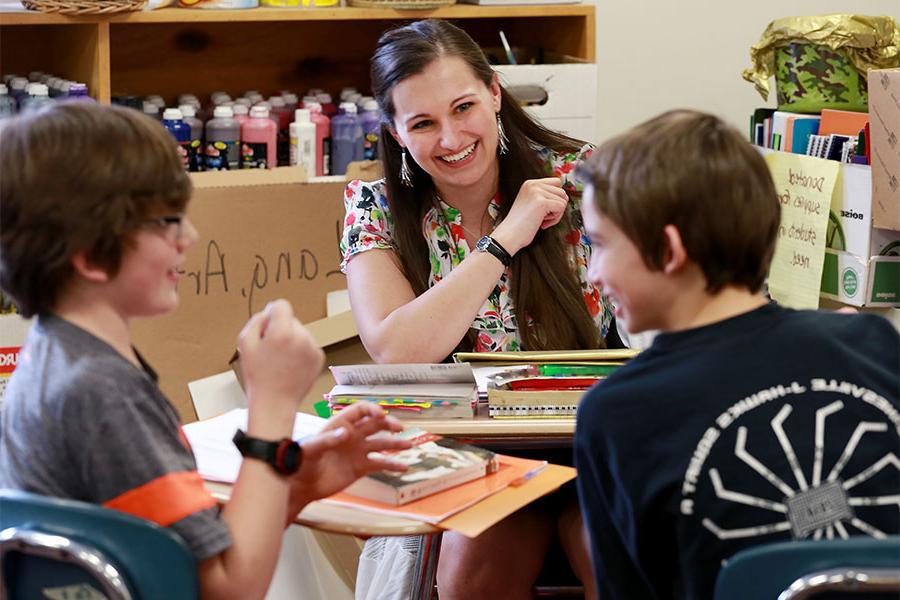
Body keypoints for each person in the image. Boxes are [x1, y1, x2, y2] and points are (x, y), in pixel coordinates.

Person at [0, 101, 413, 600]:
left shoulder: (58, 360)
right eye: (166, 221)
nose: (188, 237)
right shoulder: (105, 394)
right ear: (88, 255)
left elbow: (182, 555)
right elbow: (229, 589)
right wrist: (272, 407)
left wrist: (292, 480)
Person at [573, 109, 900, 600]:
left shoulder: (616, 412)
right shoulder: (874, 343)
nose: (593, 272)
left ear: (668, 250)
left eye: (598, 244)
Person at [340, 18, 614, 600]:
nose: (449, 138)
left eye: (463, 107)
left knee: (609, 546)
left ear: (494, 94)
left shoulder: (582, 179)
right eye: (422, 123)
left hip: (585, 447)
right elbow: (396, 348)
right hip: (458, 460)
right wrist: (503, 239)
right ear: (394, 132)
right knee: (478, 548)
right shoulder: (375, 207)